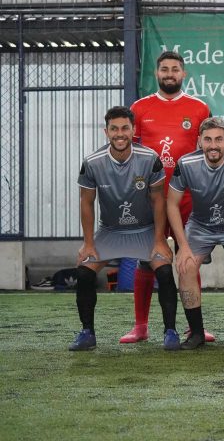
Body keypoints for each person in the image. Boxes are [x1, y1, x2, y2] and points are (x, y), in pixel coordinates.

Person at [69, 106, 178, 351]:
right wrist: (88, 243)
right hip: (110, 231)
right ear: (106, 131)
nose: (120, 134)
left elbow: (159, 200)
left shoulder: (149, 158)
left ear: (134, 130)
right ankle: (87, 332)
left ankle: (170, 331)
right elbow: (86, 202)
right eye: (114, 129)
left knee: (164, 270)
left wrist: (160, 239)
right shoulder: (92, 162)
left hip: (145, 230)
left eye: (125, 128)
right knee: (85, 272)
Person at [128, 50, 214, 343]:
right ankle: (140, 326)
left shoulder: (200, 108)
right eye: (164, 69)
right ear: (157, 73)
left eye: (175, 69)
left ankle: (194, 326)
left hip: (188, 199)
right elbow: (132, 153)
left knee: (189, 260)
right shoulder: (139, 108)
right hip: (150, 199)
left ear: (183, 74)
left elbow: (208, 153)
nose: (169, 74)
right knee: (146, 260)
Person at [166, 118, 224, 350]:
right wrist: (183, 246)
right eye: (207, 139)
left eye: (219, 139)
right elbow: (171, 204)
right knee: (186, 267)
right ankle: (196, 333)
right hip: (200, 226)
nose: (213, 145)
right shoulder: (186, 163)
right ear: (199, 141)